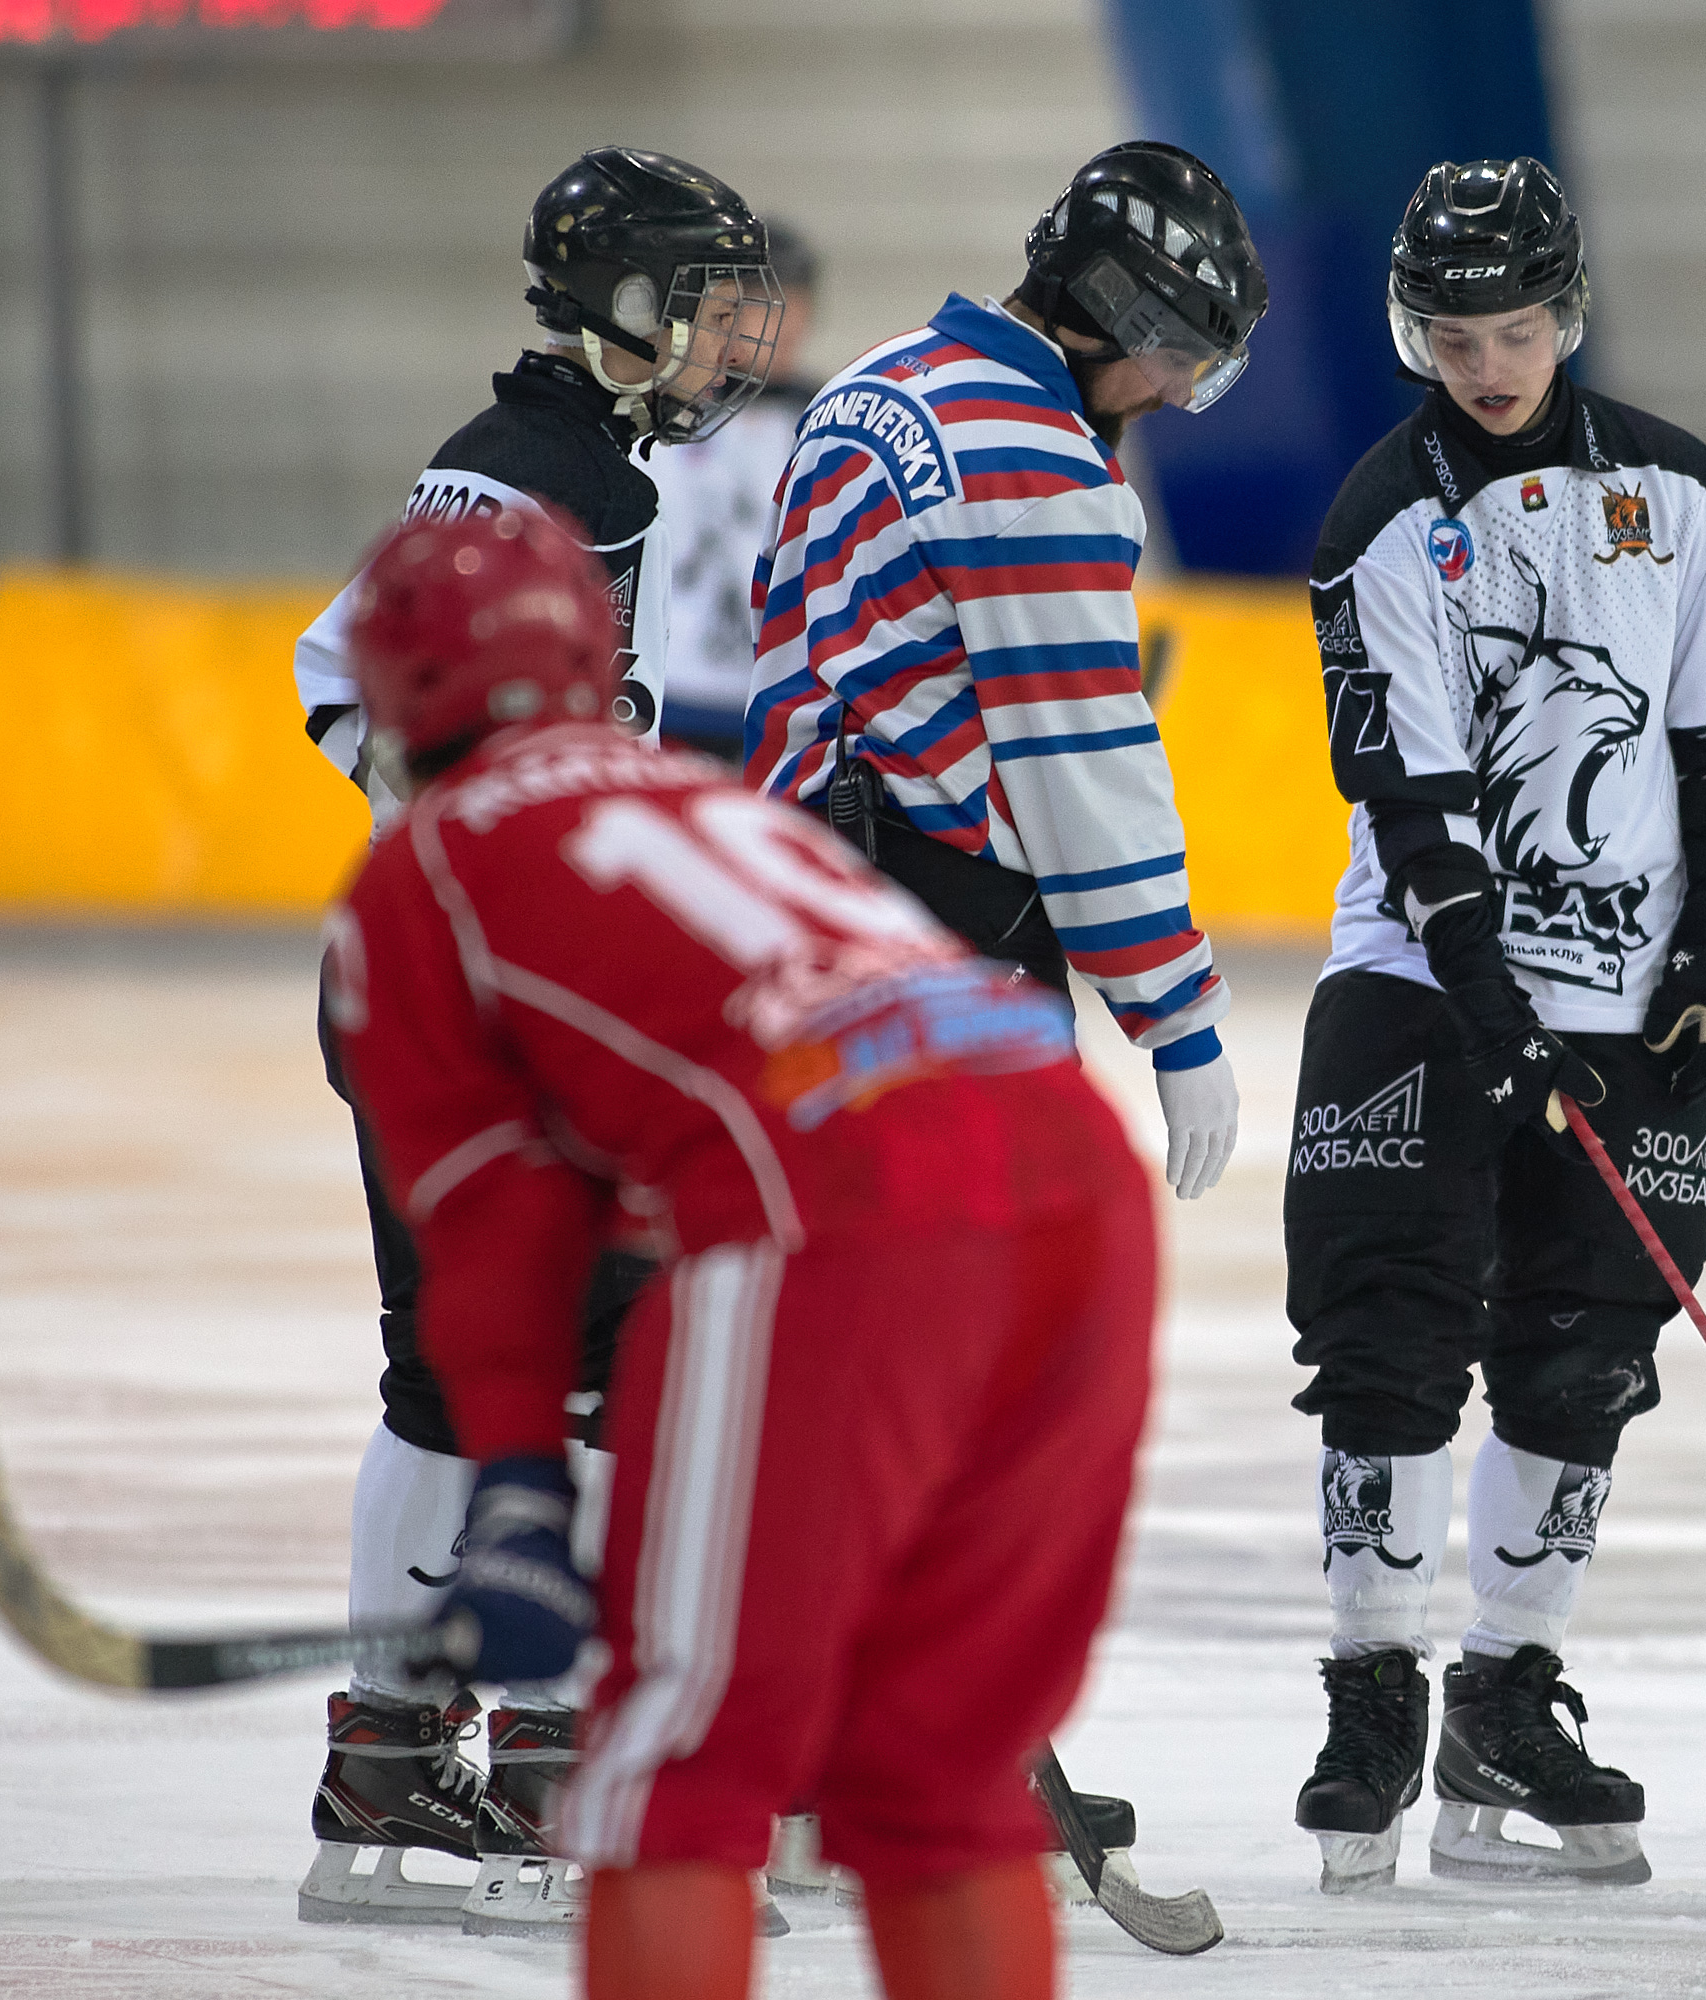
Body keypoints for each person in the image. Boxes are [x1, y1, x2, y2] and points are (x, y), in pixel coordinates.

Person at [325, 505, 1154, 2000]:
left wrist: (516, 1481)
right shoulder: (708, 793)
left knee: (676, 1766)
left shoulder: (420, 875)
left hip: (847, 1211)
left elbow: (497, 1229)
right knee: (931, 1771)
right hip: (1080, 1185)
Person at [288, 145, 781, 1930]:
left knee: (596, 1357)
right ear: (625, 308)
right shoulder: (521, 475)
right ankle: (418, 1761)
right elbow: (337, 672)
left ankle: (509, 1751)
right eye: (709, 305)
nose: (734, 336)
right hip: (460, 1007)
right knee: (481, 1360)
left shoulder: (588, 466)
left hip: (517, 998)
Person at [1281, 157, 1706, 1892]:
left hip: (1627, 996)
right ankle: (1371, 1695)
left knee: (1588, 1350)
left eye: (1516, 329)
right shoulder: (1379, 514)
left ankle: (1508, 1690)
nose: (1488, 364)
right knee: (1389, 1337)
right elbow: (1414, 800)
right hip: (1421, 986)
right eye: (1453, 334)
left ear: (1569, 314)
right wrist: (1495, 1006)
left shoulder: (1677, 486)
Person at [745, 142, 1262, 1205]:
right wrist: (1177, 1012)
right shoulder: (1035, 460)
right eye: (1174, 354)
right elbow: (1079, 760)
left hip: (788, 903)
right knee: (987, 1275)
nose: (1172, 389)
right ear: (1108, 309)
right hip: (942, 919)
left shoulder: (868, 385)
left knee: (840, 1265)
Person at [655, 217, 827, 764]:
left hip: (771, 701)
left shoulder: (827, 416)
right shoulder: (663, 416)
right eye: (759, 305)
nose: (784, 326)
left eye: (798, 306)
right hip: (675, 693)